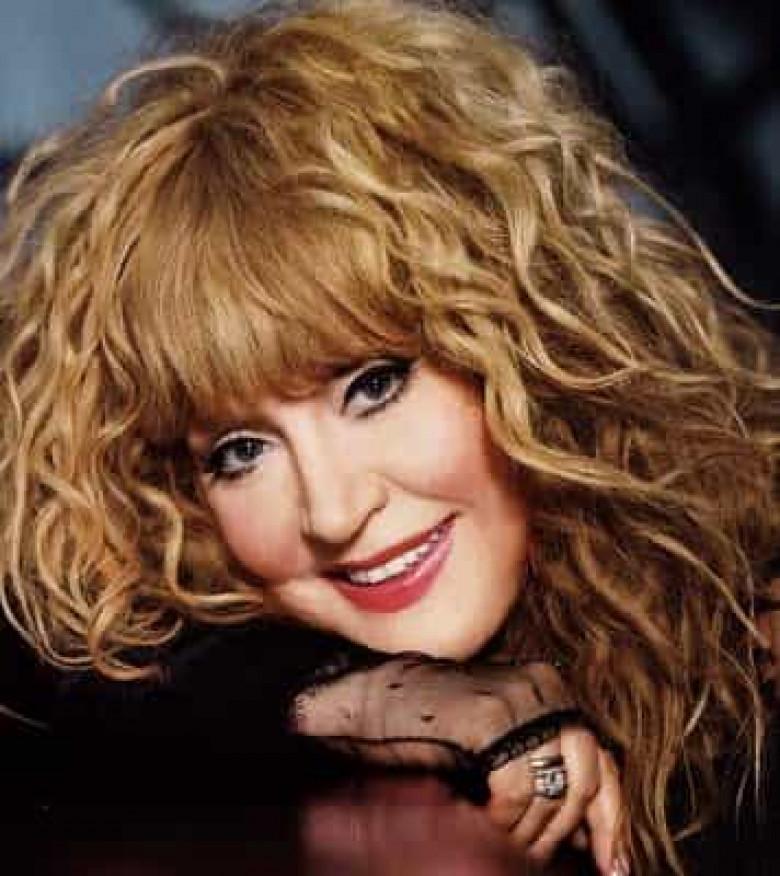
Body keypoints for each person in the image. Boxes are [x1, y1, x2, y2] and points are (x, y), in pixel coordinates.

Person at [0, 1, 777, 873]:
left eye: (373, 386)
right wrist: (381, 703)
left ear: (529, 340)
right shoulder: (243, 685)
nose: (333, 512)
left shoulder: (750, 641)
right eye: (241, 451)